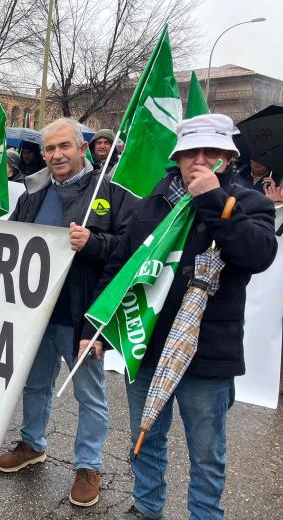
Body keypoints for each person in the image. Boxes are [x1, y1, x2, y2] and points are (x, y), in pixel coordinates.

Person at [87, 114, 277, 520]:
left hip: (206, 353)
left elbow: (257, 253)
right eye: (192, 152)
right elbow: (122, 266)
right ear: (178, 157)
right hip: (148, 345)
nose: (201, 160)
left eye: (213, 153)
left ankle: (205, 515)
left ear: (228, 156)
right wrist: (96, 328)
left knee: (207, 453)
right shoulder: (154, 203)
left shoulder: (248, 203)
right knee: (145, 437)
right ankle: (146, 507)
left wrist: (213, 200)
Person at [0, 117, 135, 508]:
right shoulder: (32, 196)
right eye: (50, 149)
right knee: (34, 384)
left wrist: (94, 241)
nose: (57, 155)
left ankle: (88, 466)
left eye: (64, 147)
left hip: (82, 317)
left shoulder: (108, 193)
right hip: (36, 315)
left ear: (82, 149)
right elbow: (11, 244)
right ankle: (32, 444)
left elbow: (127, 251)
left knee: (89, 395)